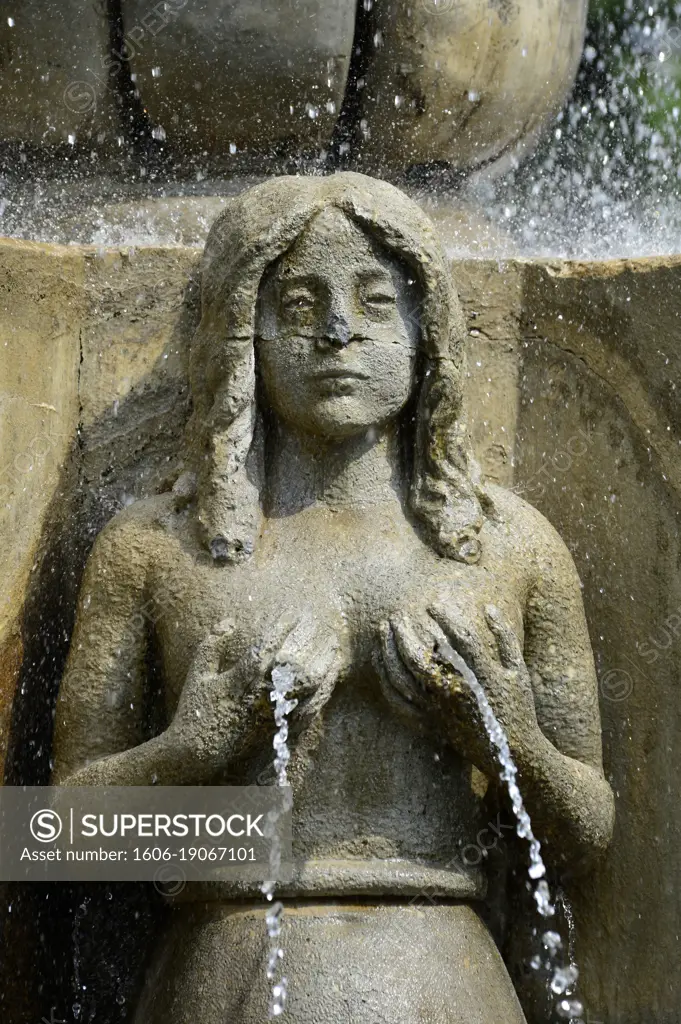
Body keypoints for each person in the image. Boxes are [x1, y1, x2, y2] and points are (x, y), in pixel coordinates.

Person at [52, 173, 614, 1023]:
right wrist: (195, 746)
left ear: (430, 334)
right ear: (243, 333)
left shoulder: (507, 548)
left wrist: (505, 733)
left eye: (375, 300)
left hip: (443, 981)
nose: (338, 331)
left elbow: (583, 838)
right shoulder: (158, 549)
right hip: (227, 974)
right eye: (301, 303)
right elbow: (56, 841)